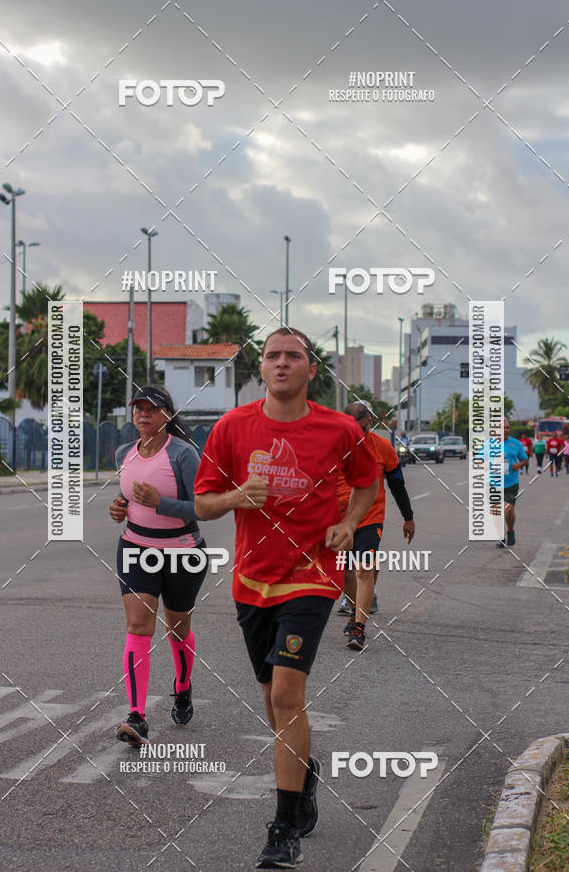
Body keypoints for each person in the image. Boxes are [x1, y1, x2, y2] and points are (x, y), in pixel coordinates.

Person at [193, 328, 378, 870]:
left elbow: (368, 480)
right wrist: (235, 496)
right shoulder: (233, 426)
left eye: (291, 356)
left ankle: (281, 829)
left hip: (311, 577)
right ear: (262, 368)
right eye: (272, 356)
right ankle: (304, 773)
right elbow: (203, 505)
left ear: (309, 369)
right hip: (252, 581)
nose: (280, 364)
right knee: (272, 697)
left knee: (286, 696)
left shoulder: (341, 428)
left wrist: (348, 522)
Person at [109, 385, 208, 746]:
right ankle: (137, 717)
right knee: (138, 625)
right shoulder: (123, 451)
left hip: (183, 551)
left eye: (152, 408)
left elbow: (202, 507)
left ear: (167, 414)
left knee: (178, 629)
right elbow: (127, 497)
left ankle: (182, 688)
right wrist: (118, 507)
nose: (143, 414)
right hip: (135, 546)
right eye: (138, 408)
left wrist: (162, 503)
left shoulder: (183, 453)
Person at [336, 402, 415, 650]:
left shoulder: (382, 448)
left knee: (364, 569)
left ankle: (359, 627)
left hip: (371, 517)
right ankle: (353, 611)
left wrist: (408, 516)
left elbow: (397, 484)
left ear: (369, 421)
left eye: (360, 428)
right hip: (340, 519)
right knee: (346, 571)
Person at [496, 418, 528, 548]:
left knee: (508, 510)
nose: (505, 430)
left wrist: (518, 465)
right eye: (502, 428)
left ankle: (510, 531)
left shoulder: (516, 444)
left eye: (507, 427)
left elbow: (524, 459)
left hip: (511, 482)